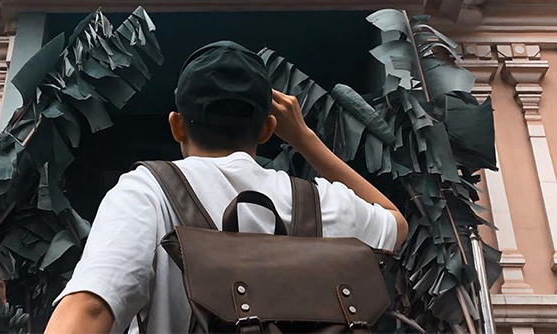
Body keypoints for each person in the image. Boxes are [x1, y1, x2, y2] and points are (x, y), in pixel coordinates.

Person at [45, 41, 407, 334]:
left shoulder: (146, 191)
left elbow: (91, 306)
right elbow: (396, 225)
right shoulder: (316, 201)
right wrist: (305, 140)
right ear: (267, 130)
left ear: (177, 126)